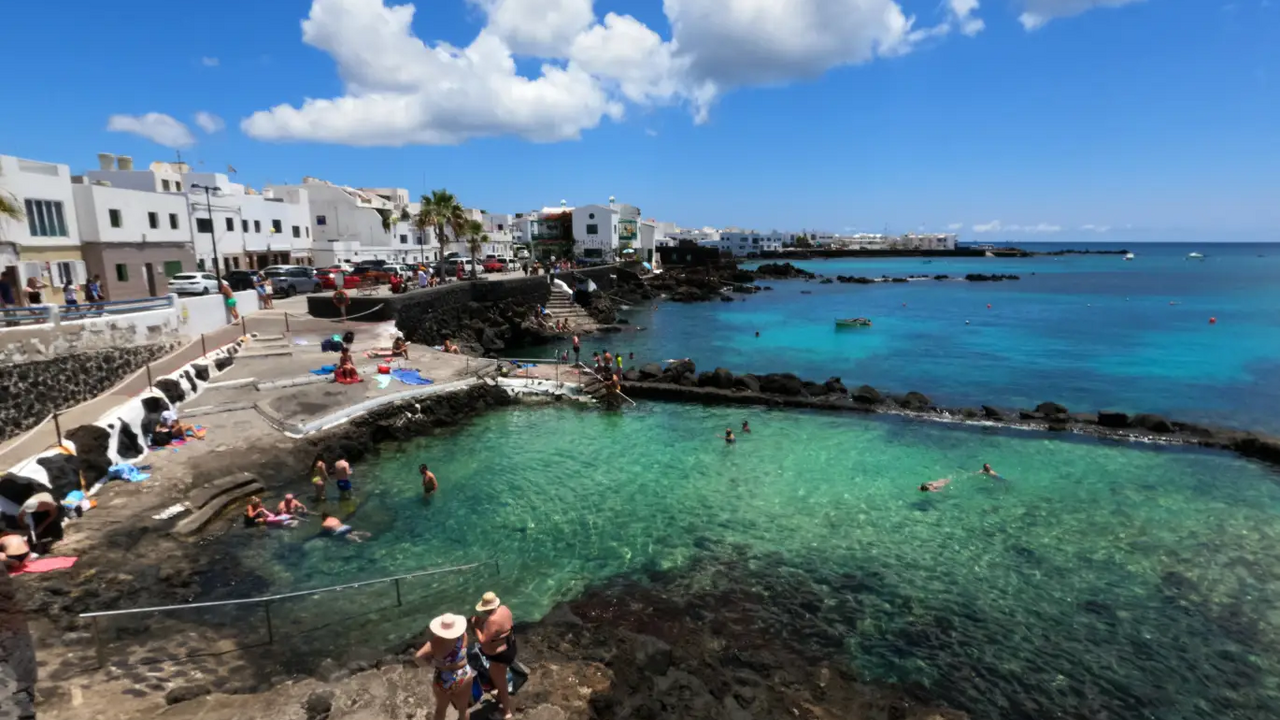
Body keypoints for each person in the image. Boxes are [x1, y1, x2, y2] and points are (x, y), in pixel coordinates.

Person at [414, 613, 474, 720]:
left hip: (443, 678)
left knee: (440, 710)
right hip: (463, 675)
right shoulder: (463, 635)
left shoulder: (434, 643)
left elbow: (417, 657)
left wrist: (431, 663)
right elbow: (464, 648)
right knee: (463, 709)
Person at [472, 592, 517, 719]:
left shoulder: (492, 621)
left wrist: (476, 627)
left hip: (500, 655)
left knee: (501, 682)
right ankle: (499, 696)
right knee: (494, 672)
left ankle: (506, 712)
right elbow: (500, 628)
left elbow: (482, 640)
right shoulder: (504, 609)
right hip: (510, 646)